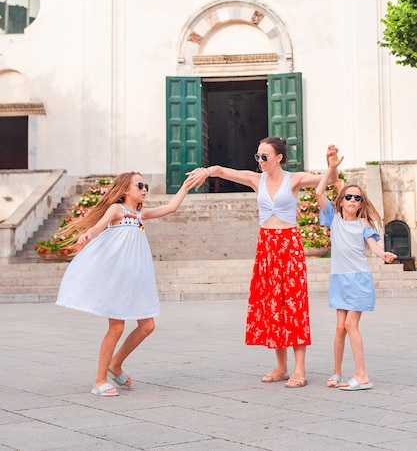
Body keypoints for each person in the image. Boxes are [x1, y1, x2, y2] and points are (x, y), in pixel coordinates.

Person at [187, 138, 340, 388]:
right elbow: (223, 171)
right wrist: (206, 171)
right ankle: (281, 366)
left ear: (279, 157)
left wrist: (332, 166)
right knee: (272, 305)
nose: (260, 161)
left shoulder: (295, 179)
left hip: (289, 246)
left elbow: (330, 180)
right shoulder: (255, 180)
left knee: (293, 305)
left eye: (265, 157)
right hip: (266, 246)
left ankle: (299, 369)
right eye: (257, 157)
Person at [56, 172, 193, 396]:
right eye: (139, 185)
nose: (144, 188)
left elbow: (170, 208)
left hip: (137, 278)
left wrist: (186, 186)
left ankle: (115, 364)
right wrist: (87, 235)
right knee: (117, 327)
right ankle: (99, 381)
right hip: (118, 277)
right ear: (126, 190)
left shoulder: (140, 215)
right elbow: (98, 227)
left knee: (147, 325)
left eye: (145, 184)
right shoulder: (117, 210)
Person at [315, 152, 397, 391]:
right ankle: (337, 373)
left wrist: (383, 254)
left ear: (361, 204)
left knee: (351, 326)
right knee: (339, 328)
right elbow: (319, 193)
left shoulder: (364, 225)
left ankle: (362, 375)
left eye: (357, 198)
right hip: (339, 280)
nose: (352, 200)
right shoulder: (334, 219)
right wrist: (330, 168)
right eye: (348, 197)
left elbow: (374, 246)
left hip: (358, 280)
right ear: (340, 201)